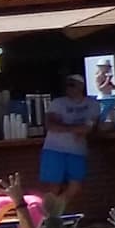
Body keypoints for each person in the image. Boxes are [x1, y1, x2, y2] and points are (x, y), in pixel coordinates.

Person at [40, 74, 101, 214]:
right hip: (54, 149)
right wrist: (76, 129)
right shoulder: (58, 103)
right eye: (67, 85)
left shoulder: (92, 104)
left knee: (75, 186)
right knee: (53, 187)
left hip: (77, 151)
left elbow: (89, 127)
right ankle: (47, 216)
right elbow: (50, 125)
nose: (69, 88)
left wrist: (66, 127)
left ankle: (54, 212)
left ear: (81, 86)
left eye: (72, 84)